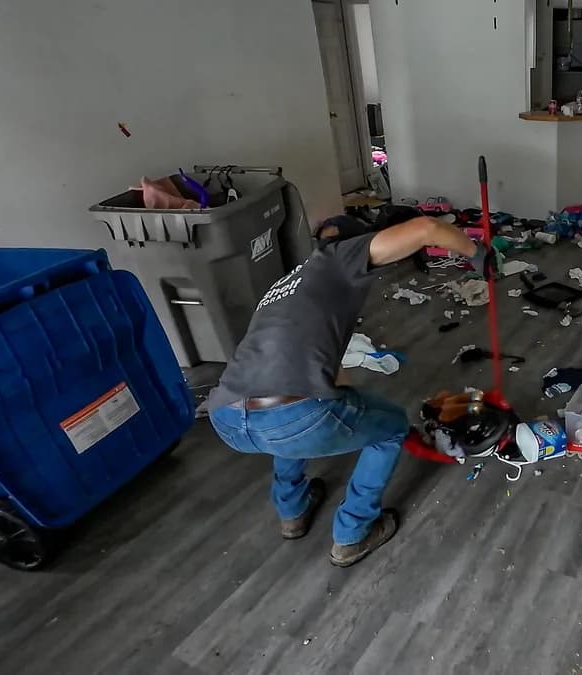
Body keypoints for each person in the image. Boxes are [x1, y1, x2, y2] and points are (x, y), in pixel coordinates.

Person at [205, 206, 492, 567]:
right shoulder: (339, 257)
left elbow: (317, 369)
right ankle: (352, 534)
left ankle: (292, 512)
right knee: (389, 429)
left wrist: (344, 407)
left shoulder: (288, 284)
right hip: (287, 417)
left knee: (294, 420)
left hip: (228, 418)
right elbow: (425, 227)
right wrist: (478, 254)